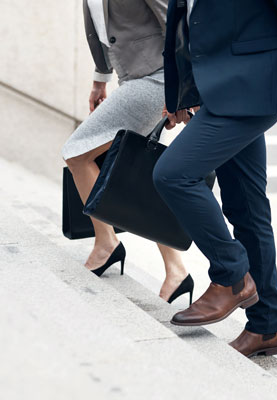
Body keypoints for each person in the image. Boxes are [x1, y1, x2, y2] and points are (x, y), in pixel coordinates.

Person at [153, 0, 277, 357]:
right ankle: (267, 326)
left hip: (254, 83)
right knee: (247, 208)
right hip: (220, 88)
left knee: (173, 174)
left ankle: (232, 277)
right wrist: (180, 92)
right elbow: (185, 16)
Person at [62, 0, 194, 304]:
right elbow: (97, 27)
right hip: (133, 78)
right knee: (142, 169)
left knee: (77, 152)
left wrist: (186, 89)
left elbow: (175, 23)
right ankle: (177, 272)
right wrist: (100, 79)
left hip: (157, 78)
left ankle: (106, 243)